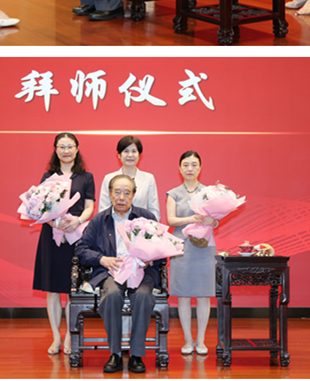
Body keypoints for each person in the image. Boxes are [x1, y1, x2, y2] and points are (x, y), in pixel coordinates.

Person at [75, 175, 159, 374]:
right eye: (117, 192)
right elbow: (81, 249)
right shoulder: (99, 220)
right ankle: (115, 353)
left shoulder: (146, 218)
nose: (122, 197)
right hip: (111, 271)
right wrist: (102, 259)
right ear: (110, 194)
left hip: (141, 271)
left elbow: (162, 248)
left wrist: (151, 259)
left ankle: (136, 354)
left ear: (134, 195)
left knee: (143, 296)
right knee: (111, 295)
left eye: (127, 193)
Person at [31, 133, 95, 355]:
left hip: (76, 236)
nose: (66, 151)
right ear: (56, 150)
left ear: (77, 149)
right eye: (62, 147)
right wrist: (54, 222)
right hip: (52, 236)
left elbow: (89, 207)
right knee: (52, 289)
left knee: (72, 288)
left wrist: (77, 221)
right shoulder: (48, 177)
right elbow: (40, 206)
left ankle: (69, 335)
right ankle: (56, 337)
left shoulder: (86, 177)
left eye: (70, 146)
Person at [166, 151, 217, 356]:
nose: (190, 168)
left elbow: (216, 220)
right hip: (182, 247)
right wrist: (191, 219)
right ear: (180, 168)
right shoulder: (173, 193)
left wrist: (211, 221)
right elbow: (171, 220)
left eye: (194, 165)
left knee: (204, 294)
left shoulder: (209, 193)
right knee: (184, 295)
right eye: (186, 165)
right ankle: (188, 340)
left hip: (204, 247)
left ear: (200, 168)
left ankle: (201, 340)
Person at [97, 136, 159, 219]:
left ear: (139, 155)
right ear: (119, 155)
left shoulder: (149, 178)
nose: (130, 155)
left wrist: (148, 226)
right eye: (126, 151)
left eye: (134, 151)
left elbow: (154, 210)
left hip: (139, 226)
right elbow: (103, 209)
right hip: (115, 225)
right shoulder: (108, 178)